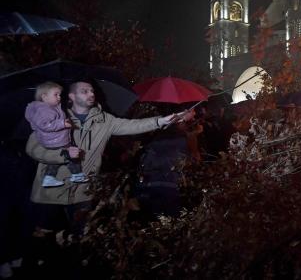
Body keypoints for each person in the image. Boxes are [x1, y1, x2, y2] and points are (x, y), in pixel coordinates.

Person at [25, 80, 183, 238]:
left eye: (92, 91)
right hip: (49, 194)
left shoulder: (104, 120)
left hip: (83, 192)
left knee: (82, 240)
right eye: (84, 91)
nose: (91, 94)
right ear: (71, 96)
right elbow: (33, 148)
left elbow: (133, 125)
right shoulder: (54, 117)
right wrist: (63, 155)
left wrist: (160, 121)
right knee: (43, 241)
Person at [24, 82, 88, 188]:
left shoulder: (50, 107)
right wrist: (62, 123)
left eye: (59, 94)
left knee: (54, 162)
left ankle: (49, 178)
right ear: (44, 97)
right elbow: (44, 124)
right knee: (72, 155)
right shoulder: (44, 109)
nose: (59, 97)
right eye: (56, 94)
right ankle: (77, 175)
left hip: (54, 140)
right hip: (56, 140)